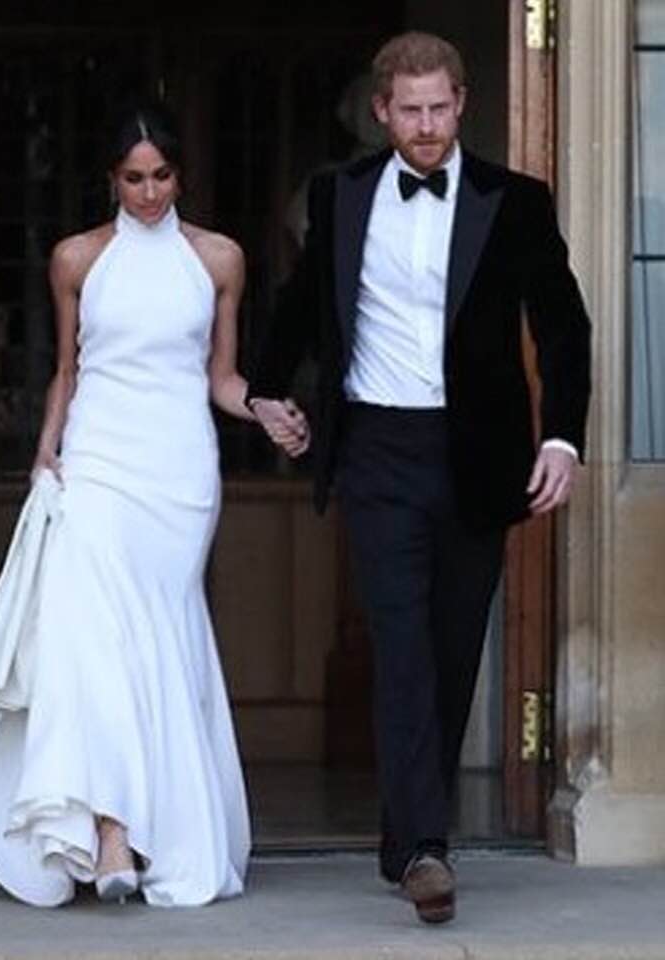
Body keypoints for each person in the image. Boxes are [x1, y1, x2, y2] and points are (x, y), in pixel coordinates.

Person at [248, 31, 591, 925]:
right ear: (382, 112)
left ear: (462, 104)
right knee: (400, 649)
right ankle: (429, 851)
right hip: (377, 454)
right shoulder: (341, 195)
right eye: (411, 110)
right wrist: (264, 391)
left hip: (477, 457)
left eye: (441, 108)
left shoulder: (511, 201)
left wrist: (560, 438)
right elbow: (302, 306)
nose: (428, 125)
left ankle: (407, 839)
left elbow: (562, 325)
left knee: (448, 653)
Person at [0, 103, 251, 908]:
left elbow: (219, 377)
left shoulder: (220, 258)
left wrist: (261, 406)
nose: (149, 192)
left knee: (157, 642)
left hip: (179, 473)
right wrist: (46, 450)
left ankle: (158, 829)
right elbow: (67, 366)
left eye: (161, 176)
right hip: (97, 461)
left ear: (180, 176)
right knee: (90, 639)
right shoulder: (77, 259)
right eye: (133, 178)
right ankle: (112, 830)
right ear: (110, 178)